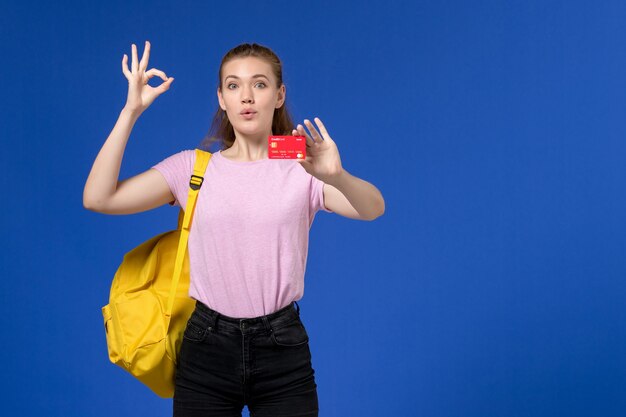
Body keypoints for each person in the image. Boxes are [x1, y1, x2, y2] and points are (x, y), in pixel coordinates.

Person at [83, 40, 385, 417]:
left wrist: (338, 176)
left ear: (279, 95)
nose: (246, 96)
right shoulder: (193, 168)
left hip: (282, 347)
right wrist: (130, 112)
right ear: (221, 98)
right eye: (233, 85)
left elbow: (372, 208)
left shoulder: (300, 165)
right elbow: (98, 198)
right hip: (206, 344)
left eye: (259, 84)